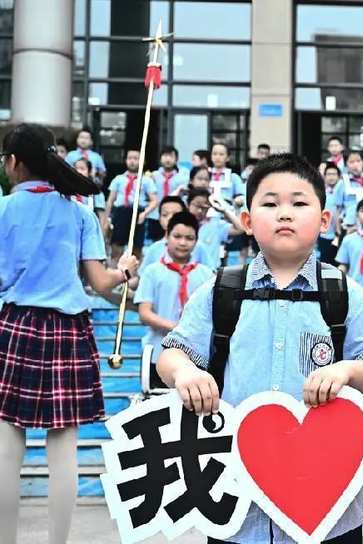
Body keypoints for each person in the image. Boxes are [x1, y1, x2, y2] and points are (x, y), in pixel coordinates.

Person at [157, 153, 363, 544]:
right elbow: (172, 353)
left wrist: (346, 371)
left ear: (324, 221)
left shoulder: (343, 293)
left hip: (329, 507)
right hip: (236, 506)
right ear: (248, 222)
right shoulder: (222, 290)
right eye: (270, 204)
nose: (284, 213)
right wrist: (186, 372)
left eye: (299, 203)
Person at [0, 123, 139, 544]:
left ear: (13, 163)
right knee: (64, 449)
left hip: (15, 325)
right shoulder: (79, 212)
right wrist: (125, 270)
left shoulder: (3, 210)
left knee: (7, 447)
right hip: (68, 330)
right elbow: (100, 283)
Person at [135, 211, 214, 387]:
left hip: (196, 358)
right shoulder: (152, 272)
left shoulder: (206, 274)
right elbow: (145, 313)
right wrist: (179, 330)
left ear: (196, 241)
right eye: (177, 236)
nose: (183, 242)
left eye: (189, 238)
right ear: (167, 236)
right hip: (157, 353)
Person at [105, 149, 158, 261]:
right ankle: (116, 270)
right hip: (120, 213)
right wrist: (107, 218)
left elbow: (154, 201)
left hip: (137, 213)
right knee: (116, 244)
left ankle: (133, 273)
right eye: (130, 158)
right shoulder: (118, 179)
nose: (132, 161)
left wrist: (144, 214)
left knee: (136, 246)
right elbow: (110, 200)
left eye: (136, 158)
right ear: (125, 160)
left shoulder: (146, 180)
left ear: (142, 161)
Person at [139, 196, 214, 275]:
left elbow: (210, 277)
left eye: (175, 214)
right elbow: (142, 278)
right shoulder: (154, 249)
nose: (170, 218)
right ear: (159, 219)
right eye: (165, 215)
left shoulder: (199, 247)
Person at [187, 188, 245, 269]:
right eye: (197, 205)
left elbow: (240, 229)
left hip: (211, 274)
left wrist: (224, 210)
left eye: (204, 207)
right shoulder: (180, 225)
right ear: (188, 204)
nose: (200, 210)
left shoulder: (215, 224)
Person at [147, 146, 188, 241]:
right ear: (160, 158)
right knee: (155, 241)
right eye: (165, 156)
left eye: (171, 156)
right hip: (155, 215)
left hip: (175, 216)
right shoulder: (153, 176)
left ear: (176, 159)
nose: (168, 159)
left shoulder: (182, 178)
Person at [72, 157, 109, 234]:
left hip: (89, 229)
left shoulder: (96, 193)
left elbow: (101, 216)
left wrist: (101, 234)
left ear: (89, 172)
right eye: (76, 168)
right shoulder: (68, 190)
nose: (78, 171)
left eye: (82, 169)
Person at [317, 162, 344, 264]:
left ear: (338, 176)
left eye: (334, 174)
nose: (331, 177)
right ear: (324, 176)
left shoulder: (343, 190)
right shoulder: (321, 192)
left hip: (339, 233)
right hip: (325, 234)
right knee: (325, 262)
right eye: (329, 174)